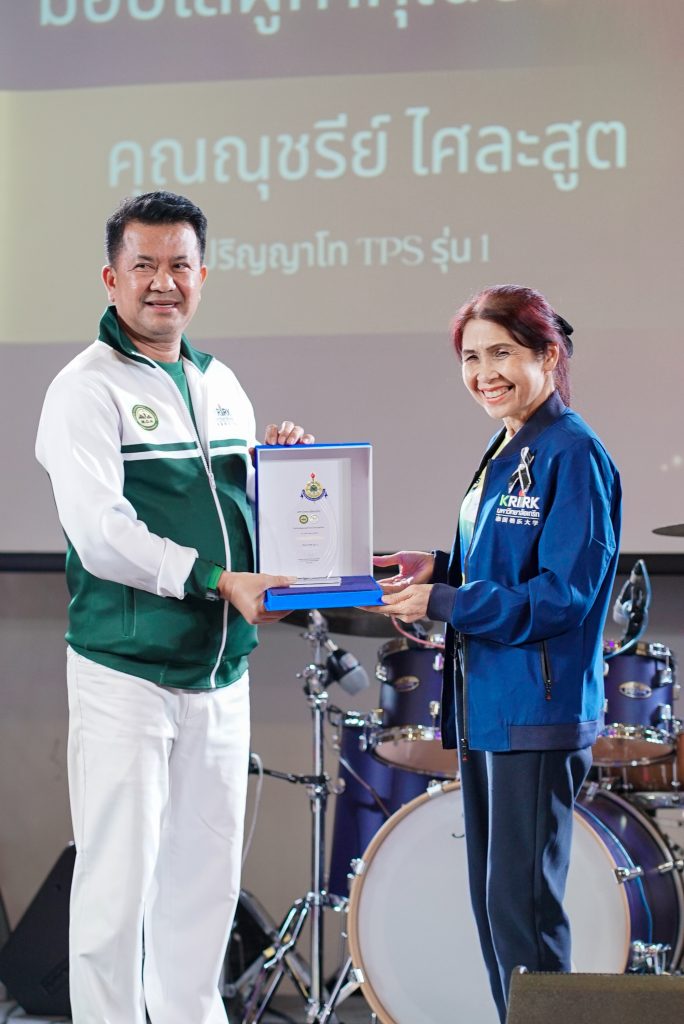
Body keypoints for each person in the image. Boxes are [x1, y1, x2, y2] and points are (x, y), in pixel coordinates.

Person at [35, 191, 314, 1024]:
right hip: (127, 675)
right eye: (146, 265)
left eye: (180, 265)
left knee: (203, 886)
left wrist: (281, 476)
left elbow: (233, 514)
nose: (165, 282)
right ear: (112, 278)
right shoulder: (84, 389)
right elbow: (102, 534)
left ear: (203, 275)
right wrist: (216, 580)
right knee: (116, 891)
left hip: (219, 675)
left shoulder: (219, 383)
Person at [371, 285, 621, 1023]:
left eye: (502, 353)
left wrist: (444, 602)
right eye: (471, 357)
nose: (484, 373)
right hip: (489, 709)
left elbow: (563, 595)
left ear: (547, 354)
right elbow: (506, 567)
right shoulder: (510, 445)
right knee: (499, 914)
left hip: (535, 713)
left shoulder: (573, 452)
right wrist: (439, 567)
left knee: (525, 918)